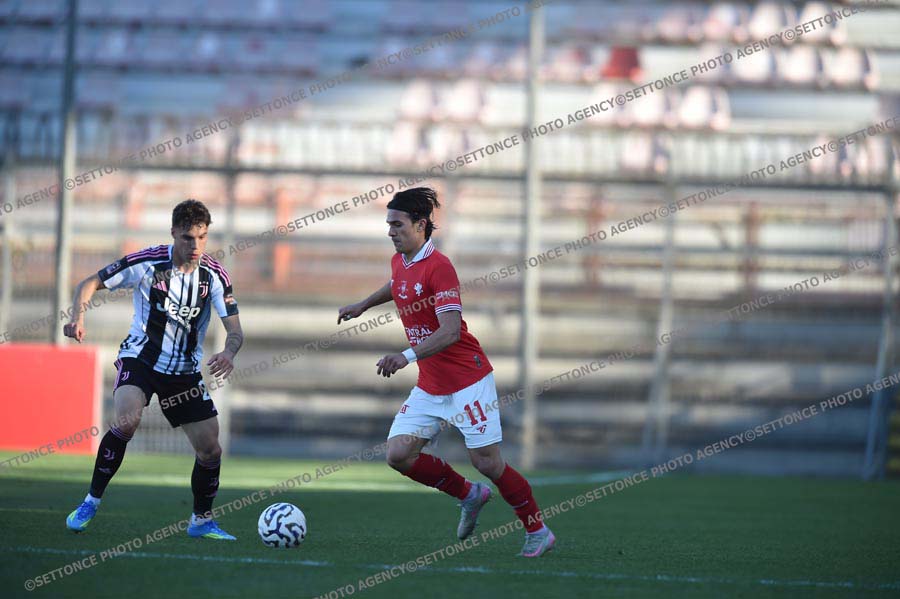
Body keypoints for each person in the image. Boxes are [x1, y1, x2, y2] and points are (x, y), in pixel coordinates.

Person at [337, 187, 555, 557]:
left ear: (420, 225)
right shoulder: (400, 260)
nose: (390, 231)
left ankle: (538, 531)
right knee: (398, 454)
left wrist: (405, 356)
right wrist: (364, 304)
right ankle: (469, 494)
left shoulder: (440, 267)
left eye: (397, 224)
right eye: (388, 224)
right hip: (432, 384)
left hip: (468, 381)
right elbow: (398, 284)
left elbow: (451, 331)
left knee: (487, 462)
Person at [63, 199, 243, 540]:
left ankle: (201, 521)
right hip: (141, 360)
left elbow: (235, 331)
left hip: (184, 372)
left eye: (202, 237)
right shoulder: (147, 262)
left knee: (211, 449)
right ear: (173, 233)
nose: (195, 246)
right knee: (127, 420)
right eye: (188, 237)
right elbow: (88, 283)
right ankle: (90, 501)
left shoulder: (214, 276)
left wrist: (229, 352)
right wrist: (78, 317)